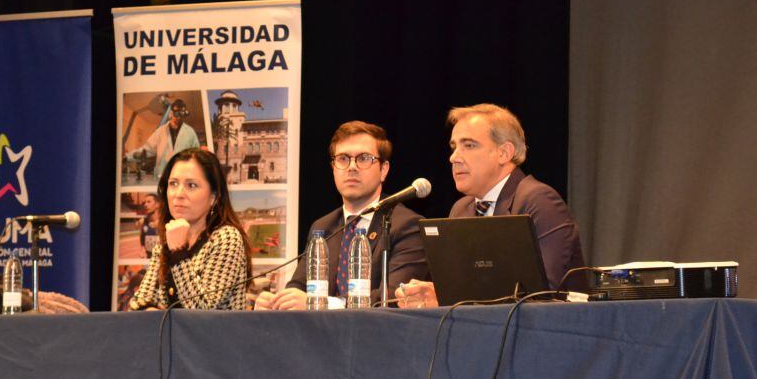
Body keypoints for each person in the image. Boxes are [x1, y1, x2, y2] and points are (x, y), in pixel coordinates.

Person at [396, 104, 586, 308]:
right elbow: (463, 283)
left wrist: (444, 296)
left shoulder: (539, 200)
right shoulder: (461, 209)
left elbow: (540, 291)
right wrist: (434, 292)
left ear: (504, 153)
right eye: (454, 147)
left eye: (469, 145)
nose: (454, 157)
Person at [256, 121, 428, 310]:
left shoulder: (408, 225)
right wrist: (276, 303)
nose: (351, 167)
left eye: (363, 158)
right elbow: (299, 287)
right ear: (333, 167)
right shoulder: (323, 226)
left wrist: (321, 304)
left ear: (384, 170)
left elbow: (395, 297)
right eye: (343, 159)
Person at [129, 148, 251, 310]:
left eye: (191, 185)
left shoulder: (226, 237)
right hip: (169, 336)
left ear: (214, 197)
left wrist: (179, 253)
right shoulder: (167, 240)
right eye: (173, 184)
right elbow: (138, 304)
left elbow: (202, 312)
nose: (178, 194)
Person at [126, 99, 200, 185]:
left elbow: (197, 155)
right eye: (176, 114)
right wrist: (127, 157)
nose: (178, 117)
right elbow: (146, 150)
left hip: (183, 178)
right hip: (162, 178)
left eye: (181, 114)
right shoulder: (160, 132)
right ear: (171, 114)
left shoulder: (190, 132)